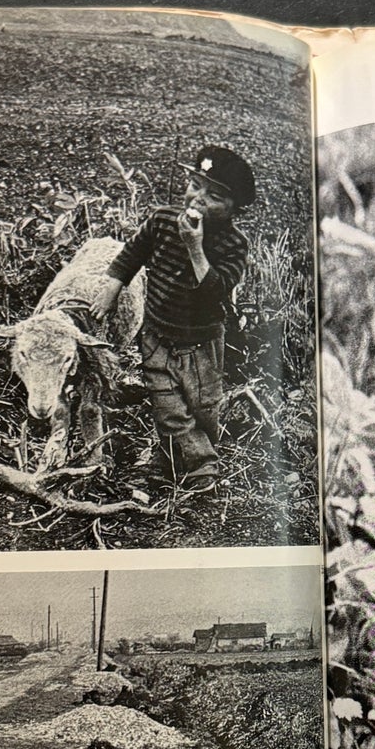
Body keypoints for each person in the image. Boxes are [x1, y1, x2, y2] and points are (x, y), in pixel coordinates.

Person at [89, 144, 256, 490]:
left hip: (202, 344)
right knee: (168, 408)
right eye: (195, 185)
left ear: (234, 209)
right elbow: (131, 254)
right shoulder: (163, 220)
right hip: (157, 337)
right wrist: (111, 290)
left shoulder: (234, 245)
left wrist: (195, 247)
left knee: (204, 408)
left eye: (214, 196)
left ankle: (168, 462)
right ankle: (202, 468)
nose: (197, 198)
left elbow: (215, 290)